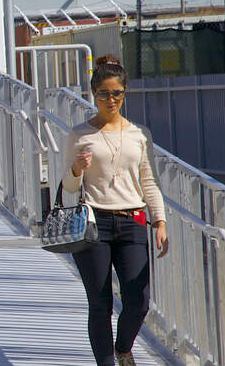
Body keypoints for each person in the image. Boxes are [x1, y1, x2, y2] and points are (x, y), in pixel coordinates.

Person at [63, 55, 168, 366]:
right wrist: (76, 168)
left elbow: (149, 180)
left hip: (133, 221)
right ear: (93, 94)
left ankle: (123, 349)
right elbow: (68, 186)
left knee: (139, 301)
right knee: (100, 304)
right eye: (104, 94)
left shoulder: (139, 133)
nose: (111, 100)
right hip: (94, 224)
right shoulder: (80, 134)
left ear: (125, 92)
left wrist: (160, 221)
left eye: (117, 93)